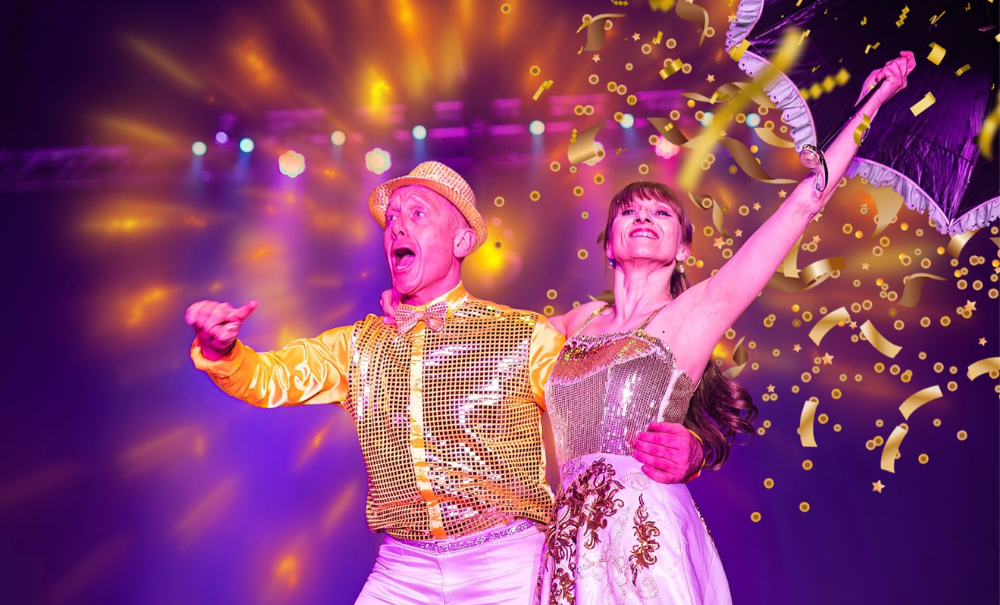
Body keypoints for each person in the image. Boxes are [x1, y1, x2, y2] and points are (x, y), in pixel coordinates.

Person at [184, 161, 704, 605]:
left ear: (460, 240)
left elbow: (604, 413)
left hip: (508, 566)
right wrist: (222, 350)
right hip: (400, 572)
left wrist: (697, 448)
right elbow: (271, 377)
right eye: (391, 221)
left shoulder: (523, 335)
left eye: (416, 215)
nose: (397, 229)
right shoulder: (357, 344)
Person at [530, 52, 915, 605]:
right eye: (629, 212)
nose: (644, 218)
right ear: (608, 243)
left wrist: (871, 103)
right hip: (567, 541)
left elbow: (805, 204)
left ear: (684, 248)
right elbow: (489, 347)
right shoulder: (577, 322)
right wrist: (415, 302)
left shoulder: (696, 313)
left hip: (644, 535)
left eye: (662, 214)